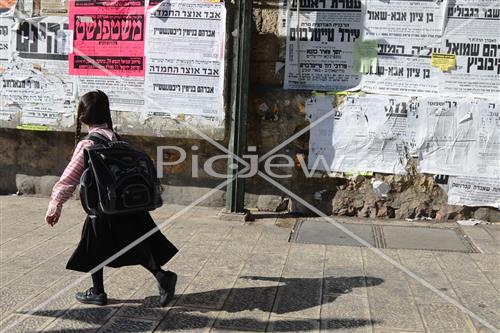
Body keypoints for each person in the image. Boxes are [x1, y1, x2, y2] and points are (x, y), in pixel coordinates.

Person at [44, 90, 178, 307]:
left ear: (83, 116)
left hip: (102, 210)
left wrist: (55, 205)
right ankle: (154, 279)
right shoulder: (116, 138)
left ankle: (107, 290)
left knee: (95, 246)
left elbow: (69, 178)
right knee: (127, 245)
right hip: (125, 207)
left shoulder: (87, 144)